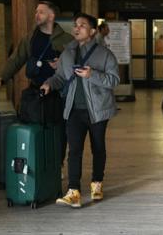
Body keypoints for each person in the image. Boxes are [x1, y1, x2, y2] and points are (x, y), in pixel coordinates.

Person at [41, 13, 119, 208]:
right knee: (74, 150)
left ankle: (97, 183)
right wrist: (49, 84)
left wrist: (92, 74)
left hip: (97, 110)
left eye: (82, 25)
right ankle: (73, 191)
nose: (77, 28)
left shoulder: (105, 54)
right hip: (73, 109)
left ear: (92, 31)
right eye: (75, 25)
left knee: (98, 148)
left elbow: (114, 80)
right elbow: (60, 77)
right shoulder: (68, 52)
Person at [0, 1, 73, 172]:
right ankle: (37, 162)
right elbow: (16, 59)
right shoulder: (30, 38)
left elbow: (76, 66)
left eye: (41, 12)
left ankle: (57, 163)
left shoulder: (67, 40)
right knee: (34, 126)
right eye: (36, 12)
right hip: (35, 91)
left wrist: (62, 64)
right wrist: (1, 77)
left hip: (60, 94)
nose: (36, 15)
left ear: (51, 16)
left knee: (59, 130)